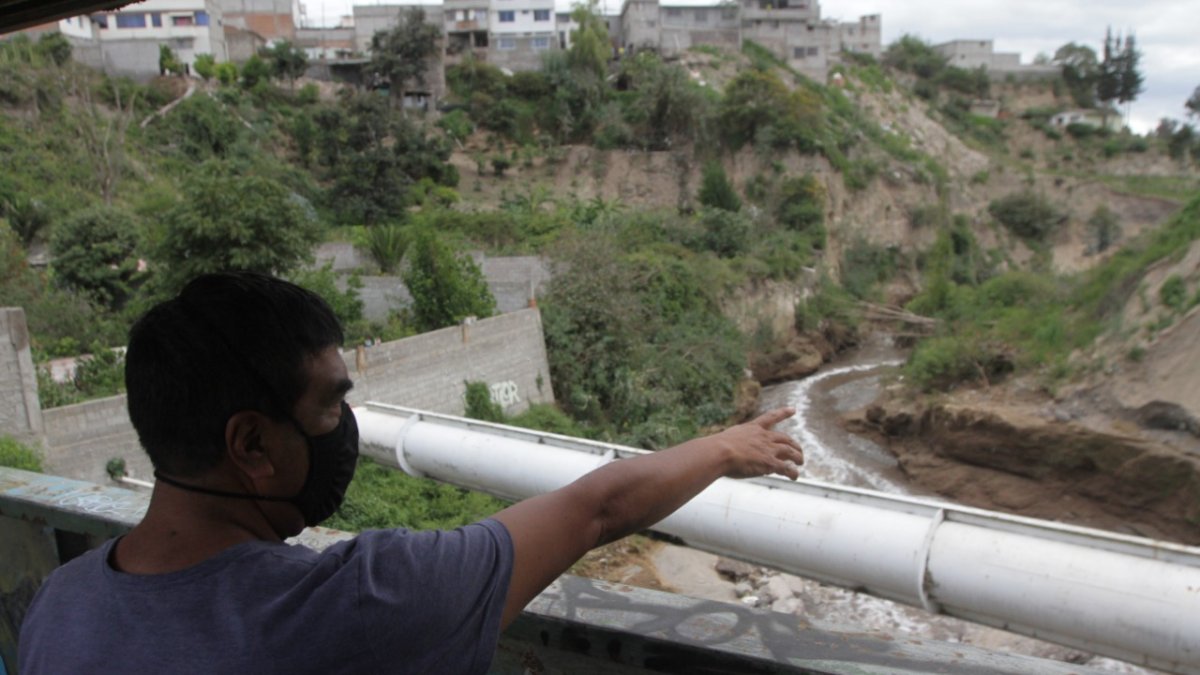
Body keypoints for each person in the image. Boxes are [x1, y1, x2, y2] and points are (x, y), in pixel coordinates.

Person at [18, 272, 804, 674]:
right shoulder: (356, 603)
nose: (342, 432)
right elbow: (595, 509)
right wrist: (726, 448)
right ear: (252, 445)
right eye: (328, 408)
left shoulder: (62, 603)